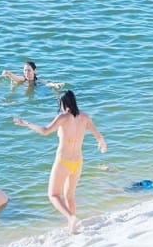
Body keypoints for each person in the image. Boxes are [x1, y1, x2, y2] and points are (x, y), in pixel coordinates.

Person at [13, 89, 107, 232]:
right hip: (78, 162)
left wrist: (26, 123)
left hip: (63, 162)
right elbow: (98, 136)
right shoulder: (85, 117)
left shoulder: (63, 117)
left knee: (53, 194)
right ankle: (72, 227)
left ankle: (71, 218)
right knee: (69, 195)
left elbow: (45, 131)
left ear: (63, 103)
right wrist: (102, 145)